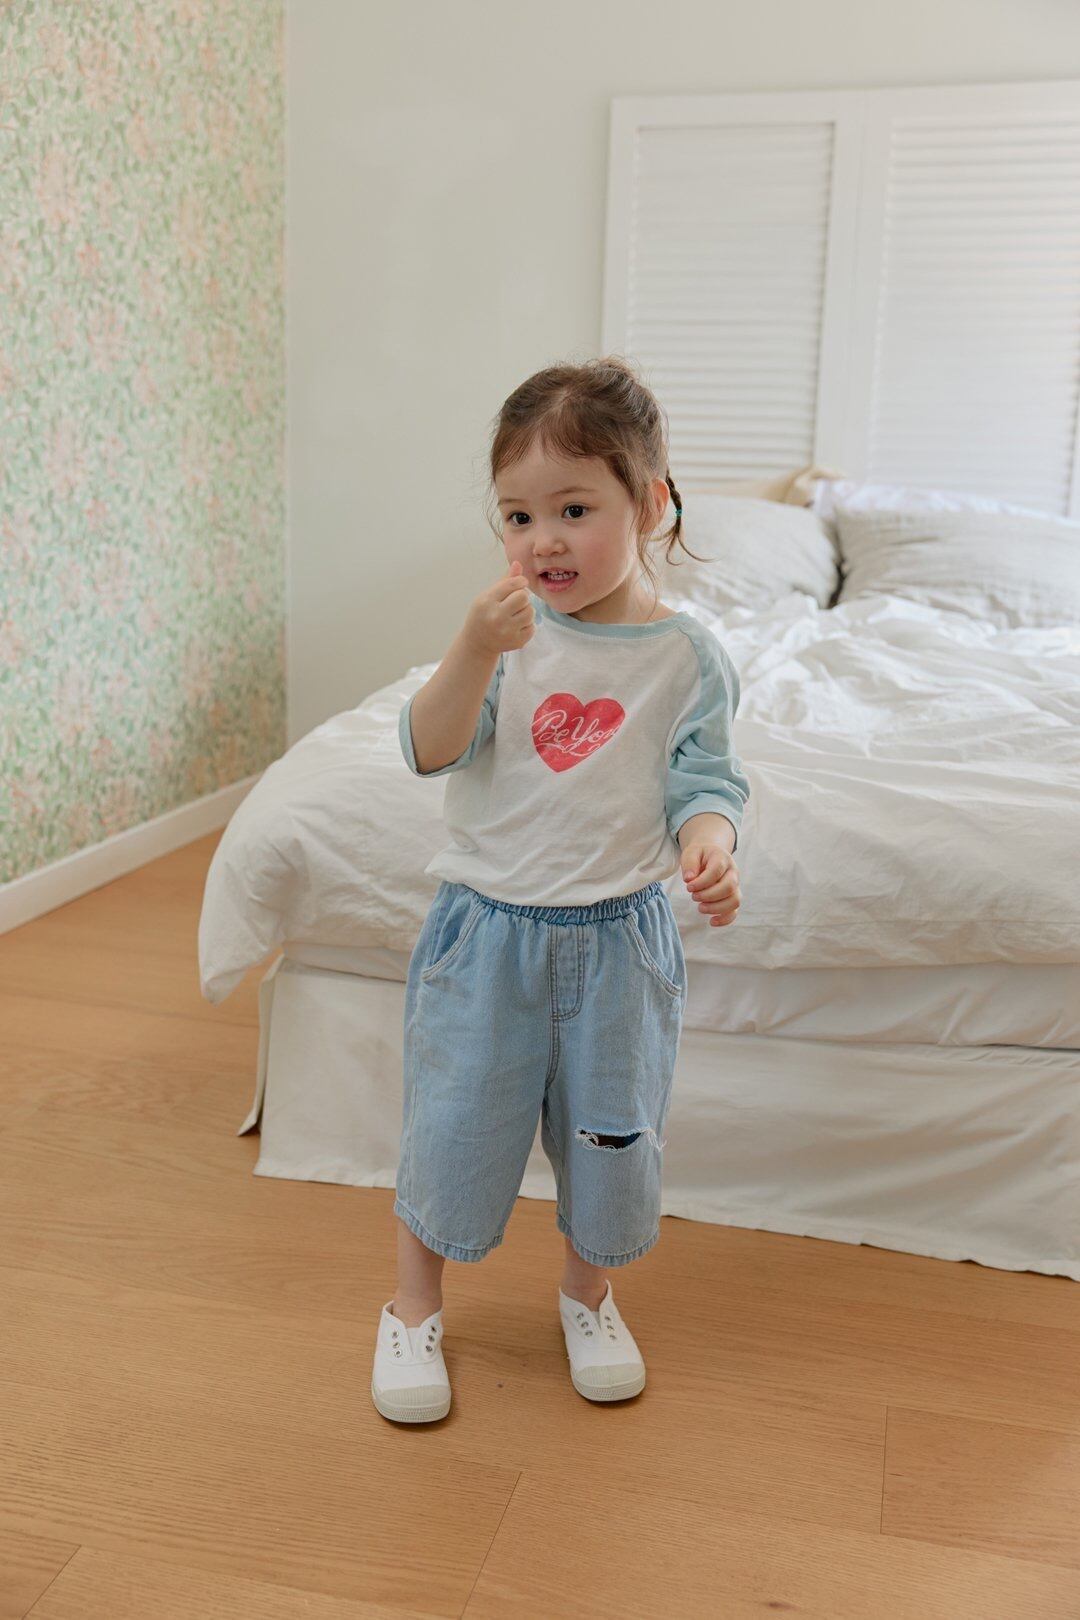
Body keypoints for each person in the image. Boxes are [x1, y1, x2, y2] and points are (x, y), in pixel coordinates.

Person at [371, 355, 750, 1424]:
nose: (544, 540)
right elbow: (428, 748)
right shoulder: (506, 636)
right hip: (487, 934)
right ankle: (411, 1310)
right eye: (518, 516)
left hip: (620, 944)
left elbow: (707, 783)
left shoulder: (687, 658)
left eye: (574, 510)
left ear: (650, 505)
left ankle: (587, 1295)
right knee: (452, 1127)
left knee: (611, 1139)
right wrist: (470, 649)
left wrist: (710, 846)